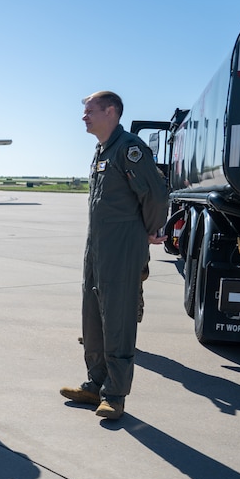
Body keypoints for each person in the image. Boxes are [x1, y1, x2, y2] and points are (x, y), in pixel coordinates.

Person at [60, 91, 168, 419]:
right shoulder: (102, 151)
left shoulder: (129, 149)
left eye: (89, 111)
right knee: (92, 317)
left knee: (118, 319)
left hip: (123, 247)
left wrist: (152, 230)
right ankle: (94, 384)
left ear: (110, 111)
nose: (84, 116)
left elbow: (155, 194)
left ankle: (115, 395)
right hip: (97, 247)